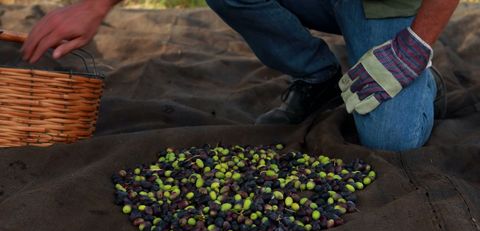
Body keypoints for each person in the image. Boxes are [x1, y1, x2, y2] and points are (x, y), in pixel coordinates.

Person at [21, 0, 458, 152]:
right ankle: (317, 78)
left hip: (382, 5)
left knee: (390, 140)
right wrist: (95, 7)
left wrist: (416, 45)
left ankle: (425, 83)